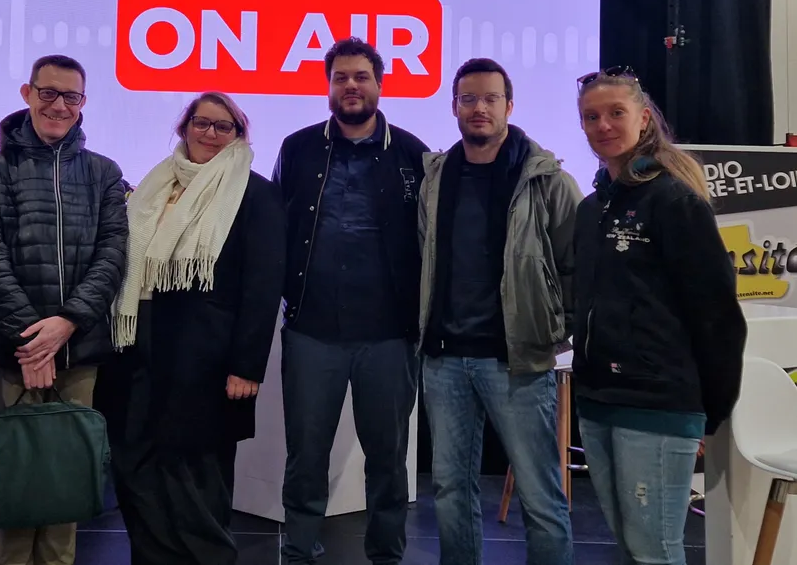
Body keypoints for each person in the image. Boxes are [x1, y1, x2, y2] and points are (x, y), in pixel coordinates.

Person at [101, 92, 286, 565]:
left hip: (206, 359)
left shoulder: (256, 193)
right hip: (137, 345)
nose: (209, 133)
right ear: (184, 127)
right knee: (136, 465)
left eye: (223, 127)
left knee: (195, 476)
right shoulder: (154, 185)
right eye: (201, 123)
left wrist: (247, 366)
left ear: (238, 137)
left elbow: (263, 288)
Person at [573, 67, 747, 565]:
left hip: (659, 404)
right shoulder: (592, 210)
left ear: (643, 118)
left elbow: (716, 315)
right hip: (598, 401)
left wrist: (710, 411)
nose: (603, 124)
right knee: (629, 548)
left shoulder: (674, 200)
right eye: (591, 116)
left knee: (654, 550)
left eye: (616, 113)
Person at [418, 57, 580, 565]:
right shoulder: (436, 176)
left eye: (490, 98)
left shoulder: (545, 177)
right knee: (449, 490)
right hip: (444, 359)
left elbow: (577, 265)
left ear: (510, 106)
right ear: (454, 107)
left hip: (519, 362)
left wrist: (556, 333)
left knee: (540, 496)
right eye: (469, 99)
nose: (479, 108)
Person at [0, 54, 128, 565]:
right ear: (27, 94)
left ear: (83, 103)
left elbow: (113, 253)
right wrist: (31, 340)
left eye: (71, 97)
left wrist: (67, 323)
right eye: (49, 93)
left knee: (65, 486)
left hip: (79, 349)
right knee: (16, 484)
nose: (59, 105)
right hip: (15, 352)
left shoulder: (104, 172)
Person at [273, 37, 428, 565]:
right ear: (329, 85)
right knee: (306, 455)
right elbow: (277, 229)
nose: (351, 86)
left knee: (388, 458)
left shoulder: (412, 152)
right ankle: (297, 548)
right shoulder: (297, 148)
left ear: (380, 85)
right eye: (341, 77)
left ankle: (386, 552)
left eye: (361, 76)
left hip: (388, 333)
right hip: (312, 328)